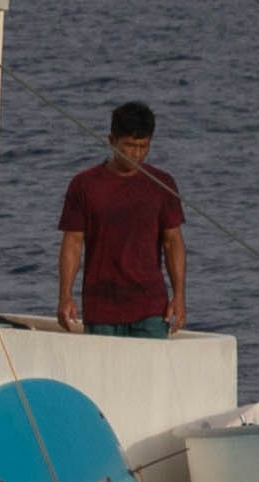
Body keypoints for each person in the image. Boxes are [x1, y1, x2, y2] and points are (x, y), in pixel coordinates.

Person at [54, 101, 189, 337]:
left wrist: (179, 295)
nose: (136, 154)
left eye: (142, 146)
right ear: (111, 141)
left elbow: (173, 241)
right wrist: (65, 295)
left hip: (151, 308)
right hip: (101, 308)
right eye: (128, 146)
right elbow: (73, 243)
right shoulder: (84, 185)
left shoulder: (162, 184)